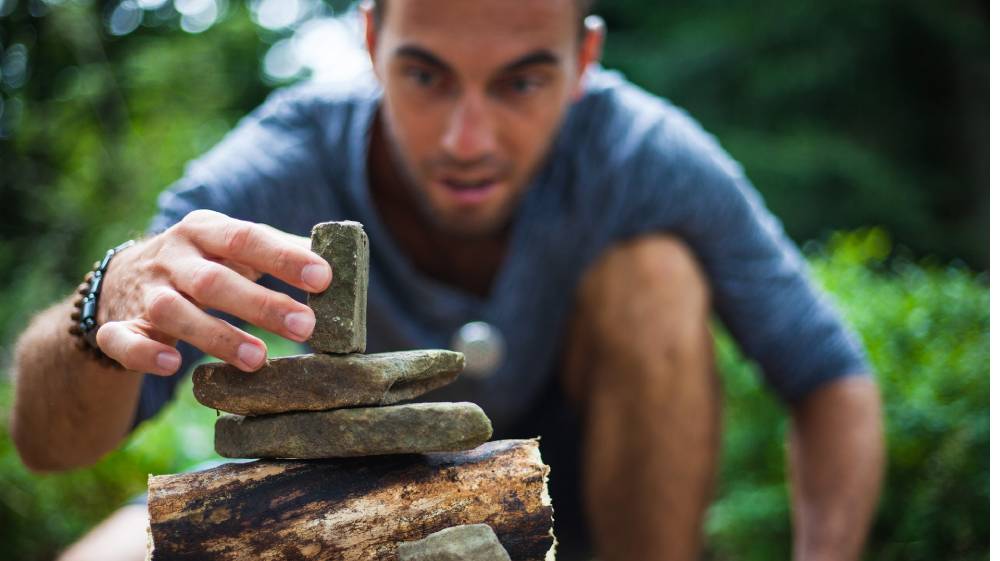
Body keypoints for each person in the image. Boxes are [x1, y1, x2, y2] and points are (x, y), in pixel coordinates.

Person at [9, 1, 885, 560]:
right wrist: (103, 302)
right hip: (344, 509)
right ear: (369, 41)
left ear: (583, 62)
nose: (468, 138)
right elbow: (49, 445)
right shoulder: (286, 157)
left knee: (654, 278)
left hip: (591, 516)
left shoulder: (644, 155)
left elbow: (830, 377)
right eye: (426, 75)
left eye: (520, 82)